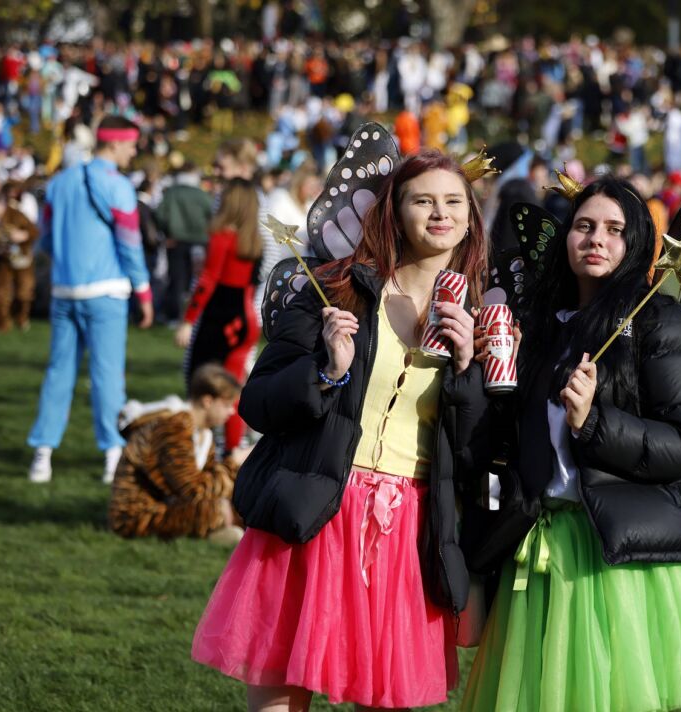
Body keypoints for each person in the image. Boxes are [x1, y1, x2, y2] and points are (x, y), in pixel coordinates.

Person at [191, 150, 490, 711]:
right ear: (395, 212)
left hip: (407, 529)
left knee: (384, 699)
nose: (439, 214)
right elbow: (257, 400)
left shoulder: (484, 317)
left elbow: (478, 445)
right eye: (422, 200)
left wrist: (470, 367)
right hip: (318, 505)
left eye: (453, 202)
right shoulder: (335, 290)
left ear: (471, 217)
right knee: (281, 691)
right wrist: (327, 370)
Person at [462, 176, 681, 711]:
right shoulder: (542, 326)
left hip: (617, 556)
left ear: (635, 242)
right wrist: (499, 374)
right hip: (542, 546)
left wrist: (594, 422)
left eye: (614, 230)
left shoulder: (663, 324)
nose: (596, 239)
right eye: (585, 226)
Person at [26, 116, 153, 484]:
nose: (134, 152)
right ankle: (112, 456)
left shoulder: (59, 183)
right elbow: (130, 245)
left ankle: (42, 454)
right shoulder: (118, 186)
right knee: (106, 375)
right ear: (114, 144)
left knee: (58, 372)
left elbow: (46, 239)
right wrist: (143, 292)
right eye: (131, 145)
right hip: (107, 293)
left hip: (64, 290)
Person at [107, 363, 248, 544]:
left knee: (243, 505)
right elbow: (190, 489)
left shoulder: (203, 434)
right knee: (213, 510)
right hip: (138, 514)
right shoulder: (173, 427)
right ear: (207, 401)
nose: (231, 412)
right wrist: (232, 464)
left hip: (169, 503)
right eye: (227, 404)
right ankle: (220, 532)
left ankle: (223, 532)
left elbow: (209, 482)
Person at [175, 179, 262, 452]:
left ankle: (198, 448)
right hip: (246, 320)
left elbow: (208, 279)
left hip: (220, 320)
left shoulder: (222, 237)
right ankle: (231, 453)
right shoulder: (255, 241)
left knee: (200, 385)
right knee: (233, 391)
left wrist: (188, 321)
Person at [155, 158, 213, 324]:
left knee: (177, 279)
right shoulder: (202, 195)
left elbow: (160, 215)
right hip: (200, 241)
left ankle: (174, 316)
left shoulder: (171, 193)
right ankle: (194, 315)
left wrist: (167, 232)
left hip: (176, 241)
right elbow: (213, 214)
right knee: (197, 279)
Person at [0, 189, 38, 332]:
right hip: (1, 262)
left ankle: (22, 318)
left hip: (22, 261)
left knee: (24, 293)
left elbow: (34, 231)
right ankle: (2, 324)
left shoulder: (16, 215)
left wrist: (23, 235)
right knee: (1, 295)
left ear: (2, 206)